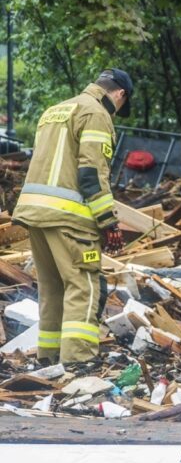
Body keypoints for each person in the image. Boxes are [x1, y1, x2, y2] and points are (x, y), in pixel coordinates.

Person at [13, 69, 133, 364]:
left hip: (35, 214)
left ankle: (49, 359)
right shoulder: (96, 113)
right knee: (84, 286)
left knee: (52, 289)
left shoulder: (55, 110)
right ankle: (78, 361)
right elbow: (91, 173)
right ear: (119, 94)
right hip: (70, 218)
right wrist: (108, 221)